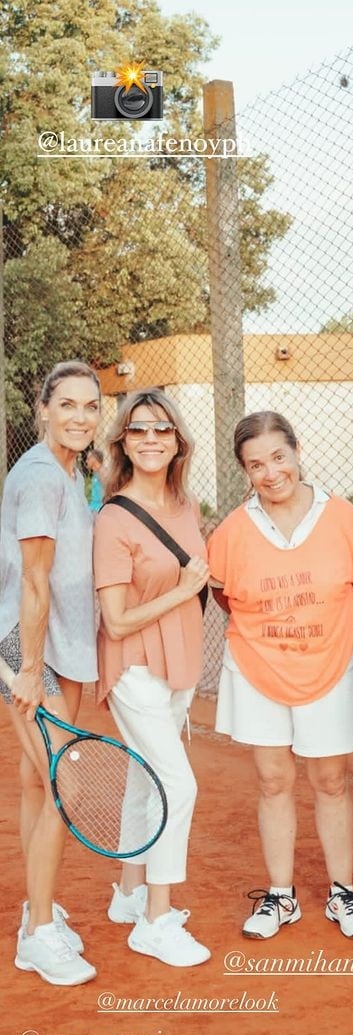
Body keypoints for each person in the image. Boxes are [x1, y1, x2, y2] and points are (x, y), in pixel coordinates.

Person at [207, 411, 353, 940]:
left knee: (330, 780)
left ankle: (342, 892)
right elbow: (223, 594)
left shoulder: (342, 517)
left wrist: (317, 634)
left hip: (330, 664)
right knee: (274, 780)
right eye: (255, 464)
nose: (270, 472)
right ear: (245, 471)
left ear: (297, 451)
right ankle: (281, 896)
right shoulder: (233, 530)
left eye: (278, 457)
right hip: (259, 667)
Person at [93, 389, 211, 967]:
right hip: (135, 666)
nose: (151, 439)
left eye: (162, 430)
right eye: (138, 430)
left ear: (177, 441)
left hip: (178, 663)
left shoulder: (187, 506)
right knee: (177, 784)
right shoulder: (114, 517)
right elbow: (115, 622)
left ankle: (129, 893)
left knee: (144, 782)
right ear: (122, 441)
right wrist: (184, 592)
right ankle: (156, 921)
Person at [0, 360, 102, 986]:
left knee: (37, 783)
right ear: (42, 409)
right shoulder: (39, 476)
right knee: (63, 785)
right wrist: (29, 672)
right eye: (66, 405)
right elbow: (33, 582)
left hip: (55, 649)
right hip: (26, 647)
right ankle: (38, 933)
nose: (80, 417)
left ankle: (37, 909)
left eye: (90, 406)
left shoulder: (69, 472)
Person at [85, 448, 105, 512]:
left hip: (99, 508)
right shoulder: (96, 473)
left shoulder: (102, 472)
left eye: (88, 458)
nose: (86, 461)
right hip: (93, 507)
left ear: (94, 459)